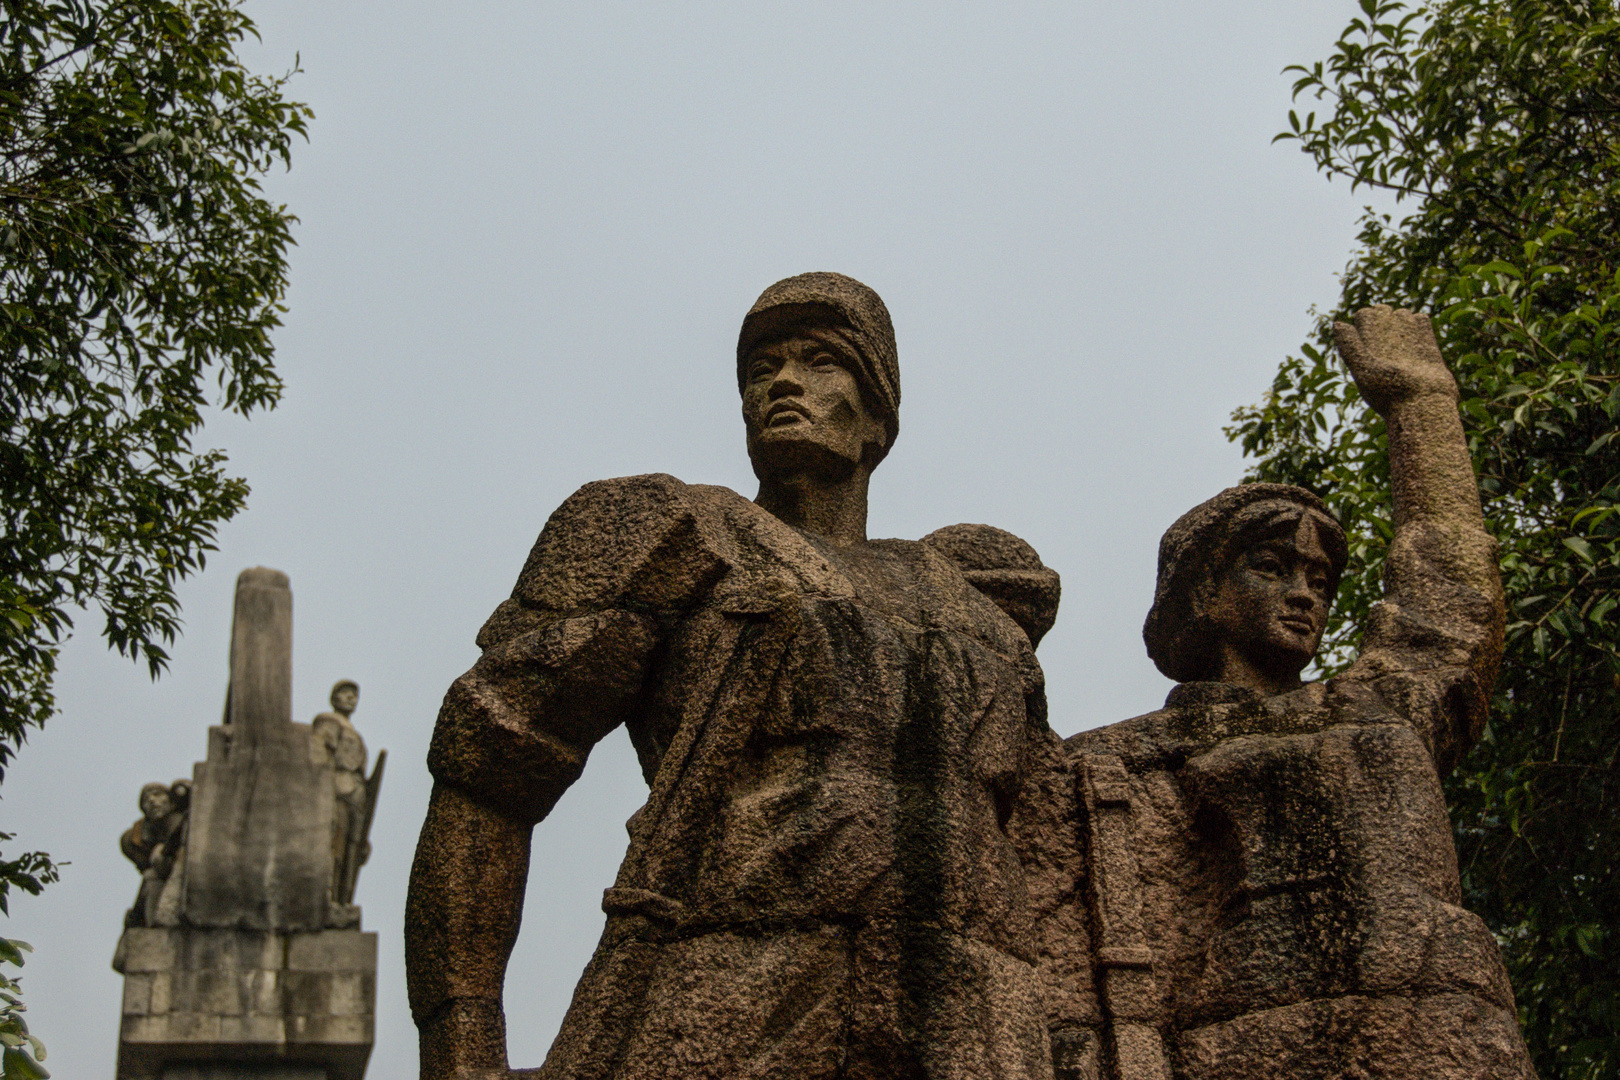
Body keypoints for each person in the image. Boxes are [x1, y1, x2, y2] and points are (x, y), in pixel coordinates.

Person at [405, 273, 1062, 1080]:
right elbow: (488, 770)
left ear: (880, 417)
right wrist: (460, 1040)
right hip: (735, 981)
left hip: (980, 1009)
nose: (782, 383)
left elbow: (1053, 845)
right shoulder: (674, 529)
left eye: (822, 360)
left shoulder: (976, 619)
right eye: (761, 368)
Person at [1059, 307, 1535, 1078]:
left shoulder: (1373, 704)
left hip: (1442, 1023)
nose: (1306, 593)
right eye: (1273, 566)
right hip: (1240, 1041)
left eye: (1320, 578)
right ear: (1204, 592)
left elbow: (1450, 603)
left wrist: (1422, 406)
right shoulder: (1118, 761)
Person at [310, 679, 372, 916]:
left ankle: (343, 899)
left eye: (354, 695)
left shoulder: (355, 733)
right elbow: (318, 758)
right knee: (335, 845)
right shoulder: (327, 723)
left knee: (353, 848)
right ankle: (330, 898)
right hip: (336, 788)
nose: (350, 698)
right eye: (345, 693)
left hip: (357, 792)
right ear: (334, 698)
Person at [119, 779, 190, 927]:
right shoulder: (137, 835)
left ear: (171, 801)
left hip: (183, 874)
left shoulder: (180, 820)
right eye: (146, 800)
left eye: (157, 795)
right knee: (151, 878)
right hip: (159, 875)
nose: (151, 801)